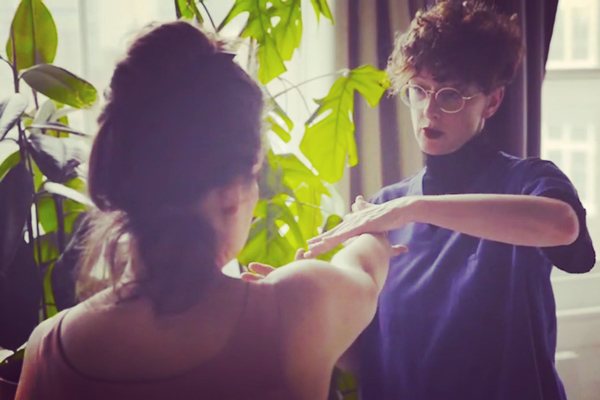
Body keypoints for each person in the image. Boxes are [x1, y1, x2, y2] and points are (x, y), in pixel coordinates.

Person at [15, 21, 406, 400]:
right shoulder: (300, 307)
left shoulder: (53, 347)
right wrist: (372, 226)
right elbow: (366, 273)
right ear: (231, 194)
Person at [304, 2, 596, 399]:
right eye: (419, 90)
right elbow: (370, 354)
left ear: (491, 102)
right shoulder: (384, 206)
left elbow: (564, 229)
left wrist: (414, 208)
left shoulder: (528, 181)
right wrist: (300, 315)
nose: (429, 110)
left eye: (451, 95)